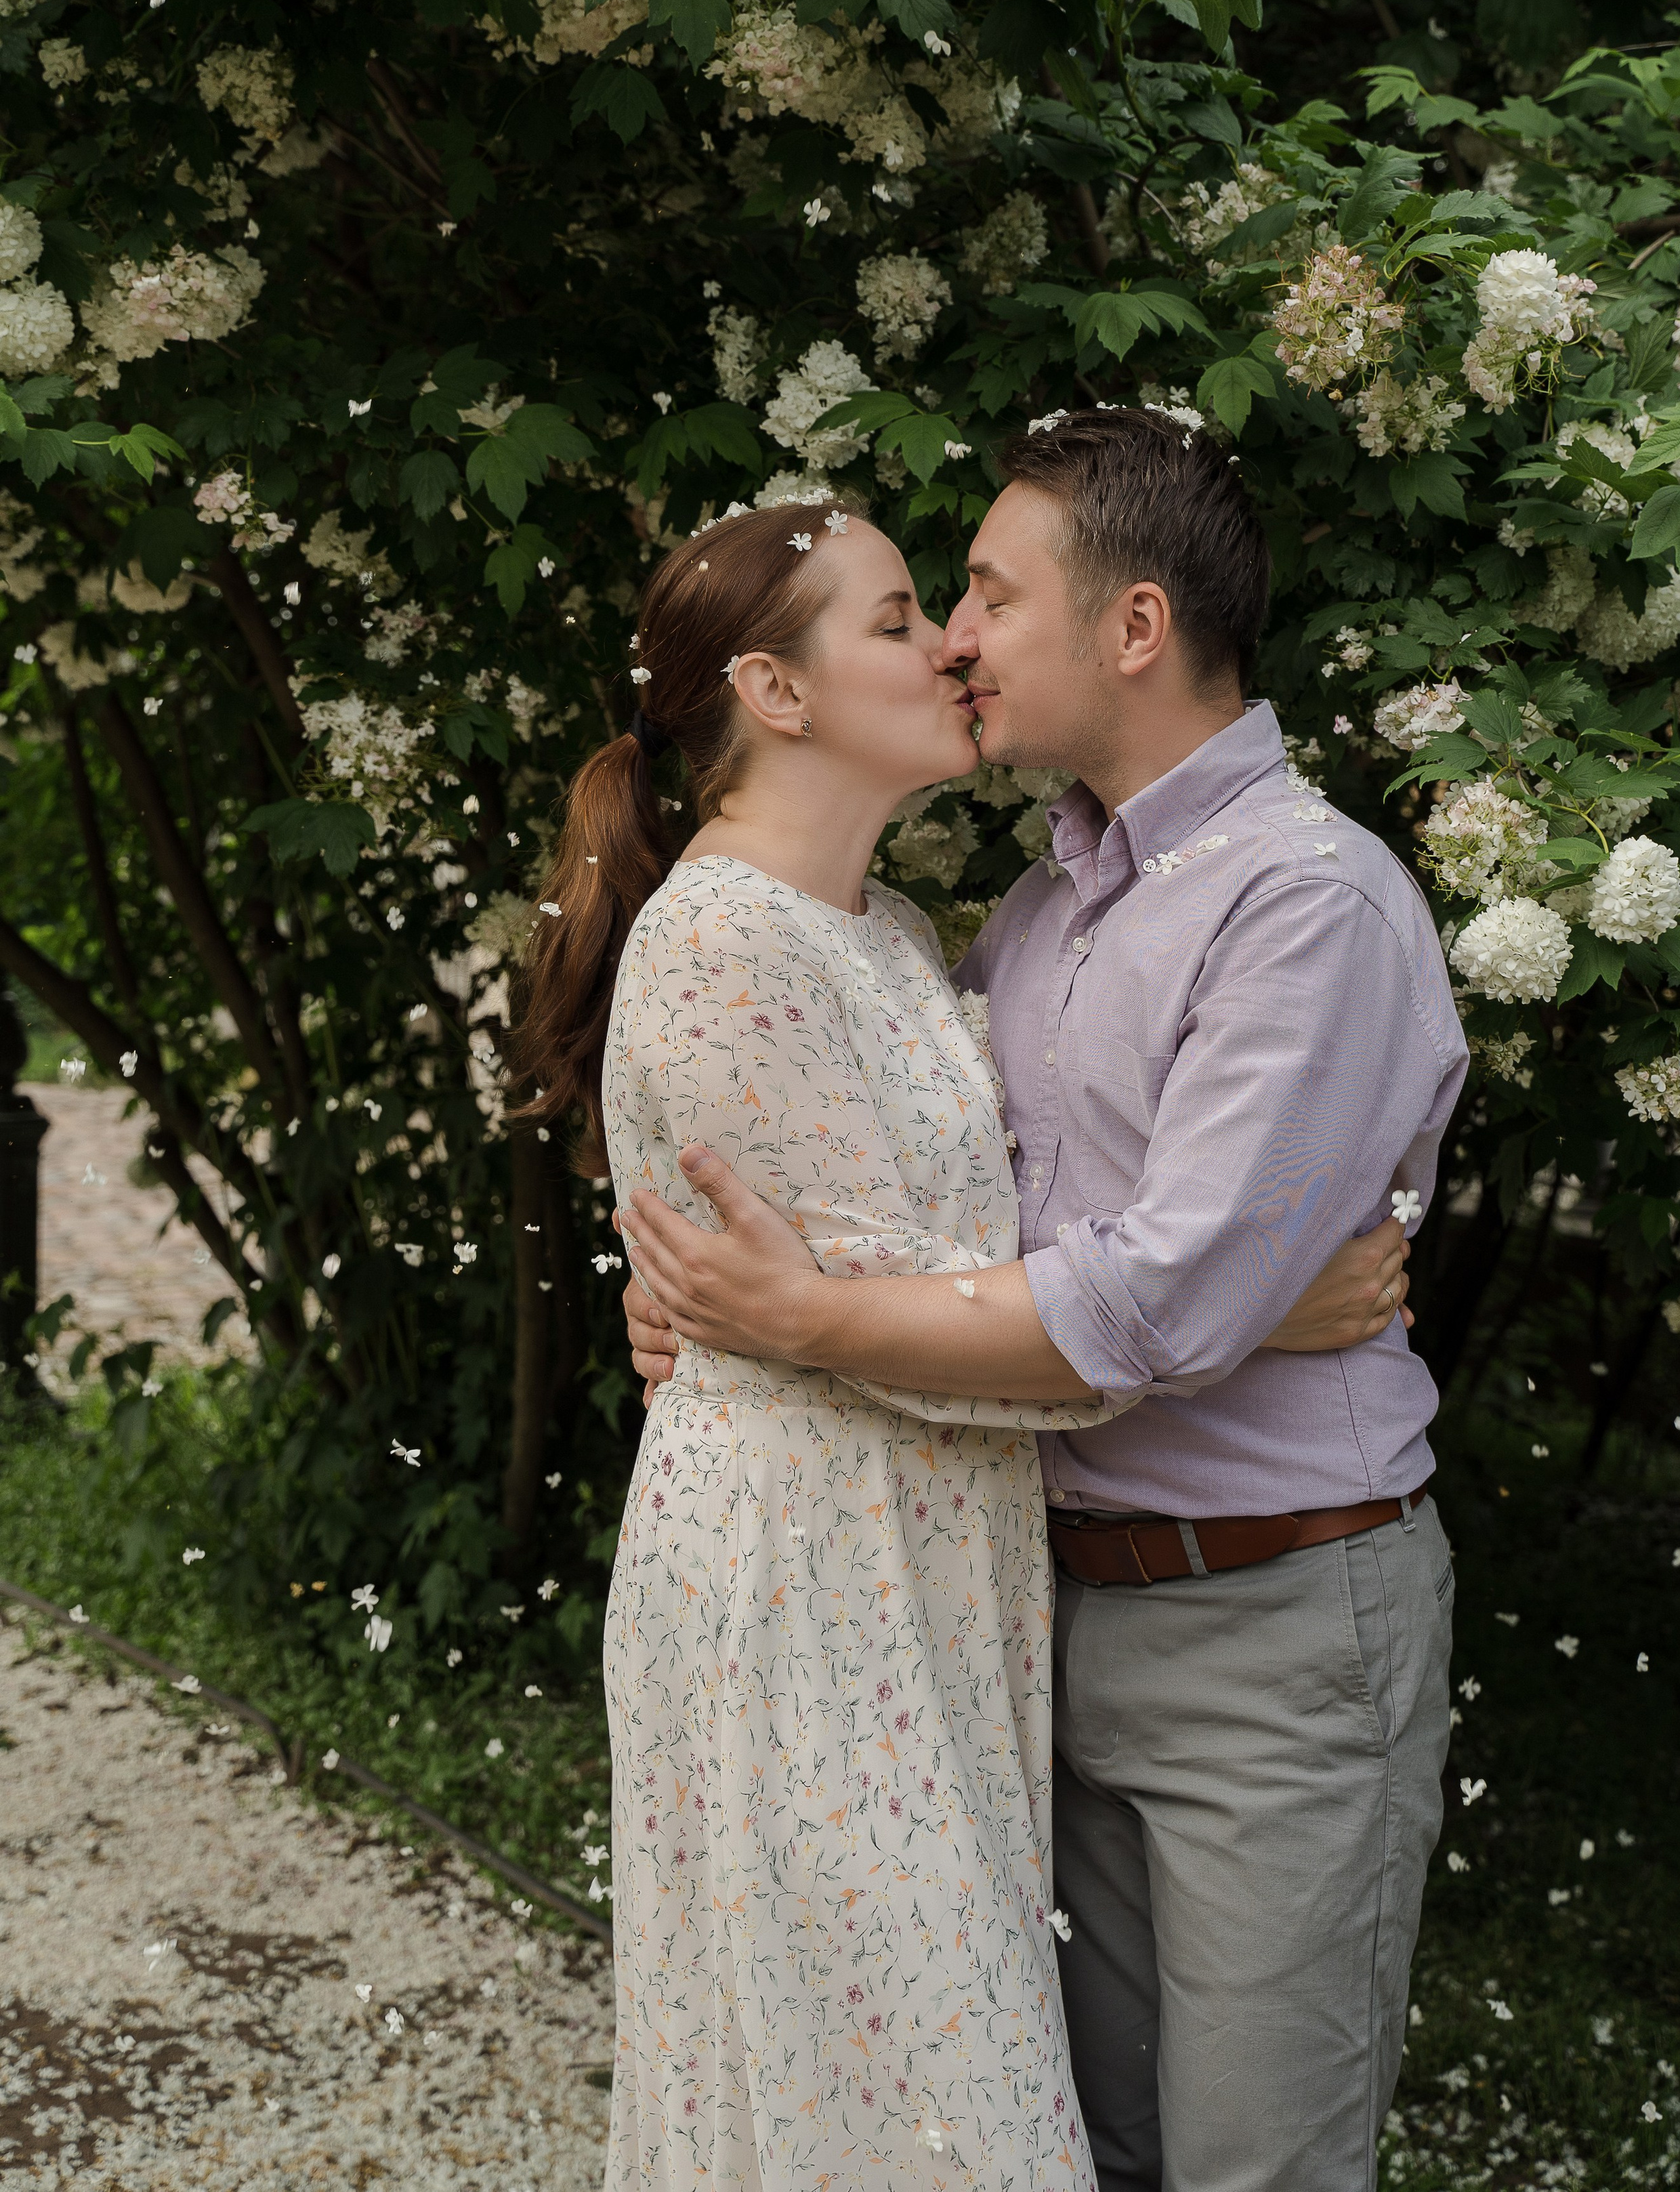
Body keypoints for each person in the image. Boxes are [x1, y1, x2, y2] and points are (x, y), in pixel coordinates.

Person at [515, 481, 1412, 2192]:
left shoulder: (972, 926)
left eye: (974, 599)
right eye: (907, 612)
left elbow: (947, 1286)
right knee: (934, 2121)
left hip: (1047, 1587)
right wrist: (1240, 1305)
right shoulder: (796, 936)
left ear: (1133, 626)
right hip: (838, 1589)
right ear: (772, 691)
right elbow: (893, 1303)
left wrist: (1194, 1298)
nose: (950, 641)